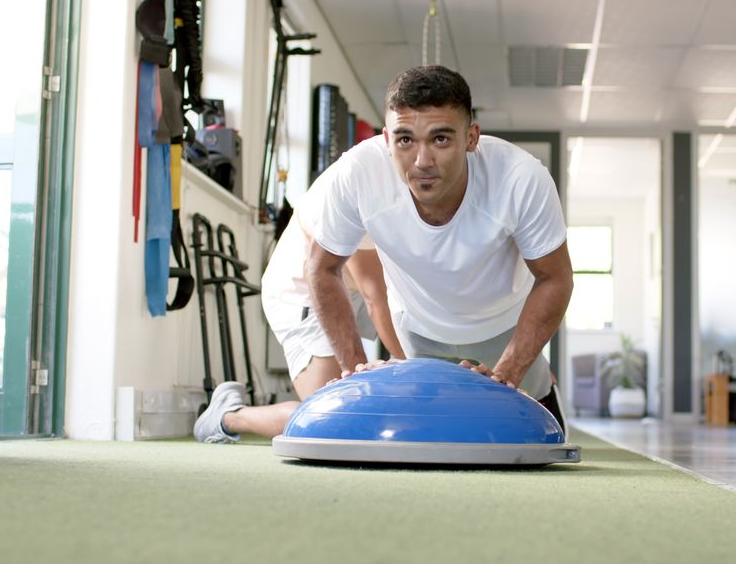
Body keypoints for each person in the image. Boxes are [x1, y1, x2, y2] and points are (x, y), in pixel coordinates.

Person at [308, 65, 573, 426]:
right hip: (419, 326)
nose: (422, 161)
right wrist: (356, 369)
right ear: (387, 140)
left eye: (441, 139)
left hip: (501, 322)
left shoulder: (520, 178)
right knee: (429, 428)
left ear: (472, 138)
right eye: (405, 140)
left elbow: (555, 278)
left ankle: (541, 391)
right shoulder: (358, 174)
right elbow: (322, 268)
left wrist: (506, 375)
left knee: (536, 430)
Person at [193, 177, 405, 443]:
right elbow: (376, 298)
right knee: (331, 419)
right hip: (302, 292)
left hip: (350, 289)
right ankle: (228, 415)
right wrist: (418, 369)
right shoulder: (360, 187)